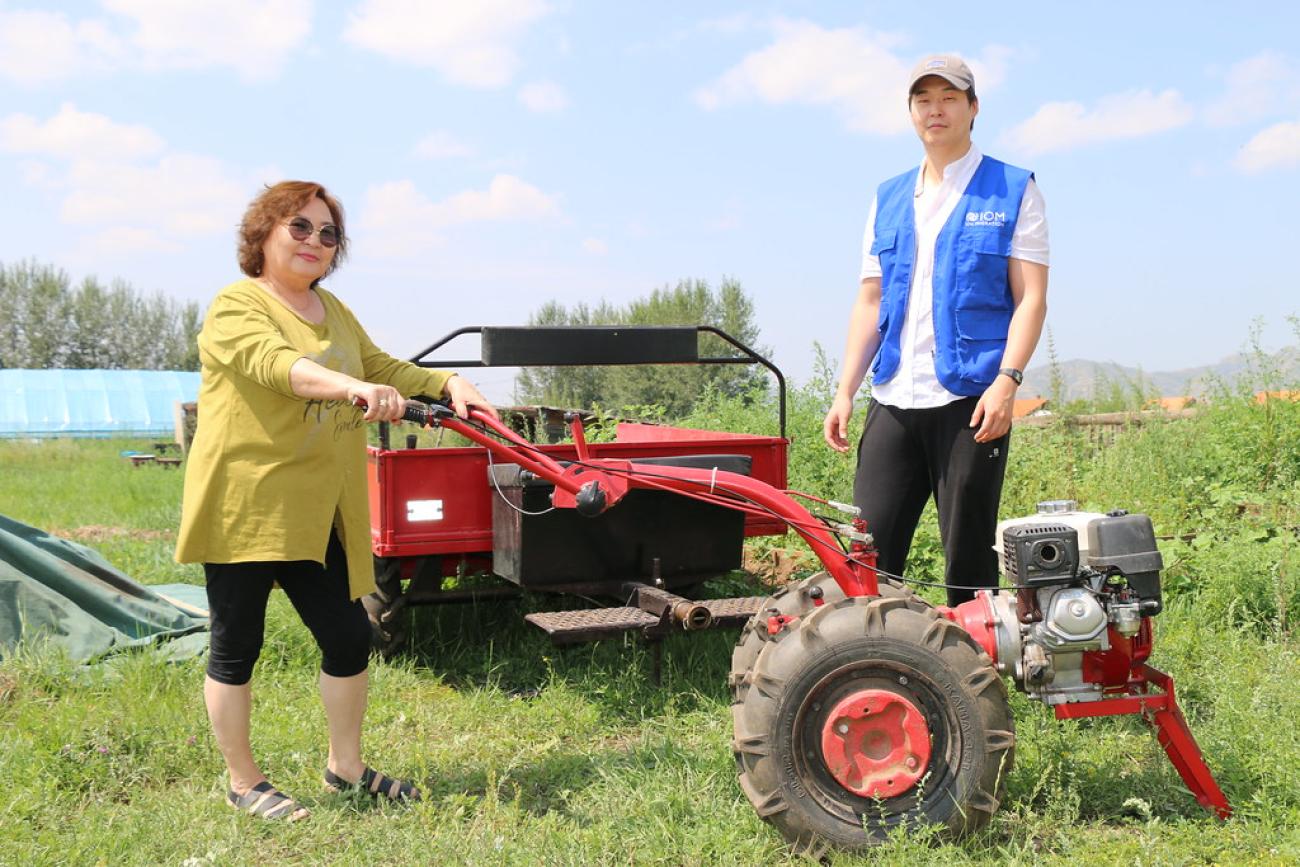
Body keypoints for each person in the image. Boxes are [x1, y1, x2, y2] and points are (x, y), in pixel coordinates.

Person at [176, 180, 496, 820]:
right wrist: (349, 387)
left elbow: (380, 366)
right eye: (299, 227)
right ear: (263, 234)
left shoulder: (335, 310)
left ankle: (345, 769)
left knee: (349, 639)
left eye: (328, 234)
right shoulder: (237, 305)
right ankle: (243, 781)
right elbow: (279, 367)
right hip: (249, 503)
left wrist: (446, 380)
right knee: (237, 642)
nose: (315, 242)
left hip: (321, 508)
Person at [822, 55, 1049, 607]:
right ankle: (873, 670)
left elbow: (1031, 298)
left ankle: (973, 684)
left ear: (973, 108)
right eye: (923, 99)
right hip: (895, 393)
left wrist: (1007, 382)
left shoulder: (1012, 188)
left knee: (968, 557)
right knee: (867, 550)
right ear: (910, 112)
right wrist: (844, 390)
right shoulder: (889, 196)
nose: (935, 110)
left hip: (971, 397)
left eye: (949, 98)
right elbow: (871, 299)